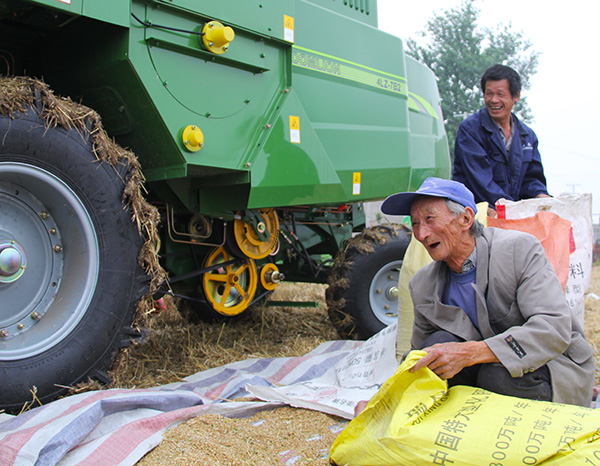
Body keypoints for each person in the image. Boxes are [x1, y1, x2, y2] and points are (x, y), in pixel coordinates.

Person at [379, 177, 595, 407]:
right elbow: (420, 356)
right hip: (481, 371)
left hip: (549, 364)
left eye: (430, 219)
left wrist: (470, 353)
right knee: (437, 346)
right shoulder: (423, 284)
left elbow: (553, 329)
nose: (422, 234)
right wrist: (384, 401)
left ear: (466, 219)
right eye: (415, 224)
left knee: (496, 376)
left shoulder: (518, 250)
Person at [453, 64, 550, 214]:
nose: (493, 100)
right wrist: (512, 208)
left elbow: (532, 178)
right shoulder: (471, 130)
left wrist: (541, 196)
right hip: (476, 216)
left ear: (516, 96)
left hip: (510, 214)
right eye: (489, 94)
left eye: (500, 94)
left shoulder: (527, 136)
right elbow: (481, 182)